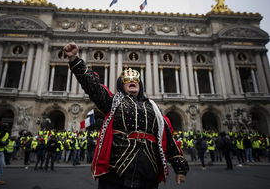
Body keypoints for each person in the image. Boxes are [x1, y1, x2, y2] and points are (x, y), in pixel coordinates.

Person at [64, 42, 189, 189]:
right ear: (121, 86)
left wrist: (180, 168)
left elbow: (169, 140)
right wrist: (75, 60)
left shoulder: (154, 109)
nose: (132, 82)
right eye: (127, 80)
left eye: (135, 80)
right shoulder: (113, 103)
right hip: (116, 172)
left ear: (140, 85)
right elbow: (93, 86)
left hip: (148, 173)